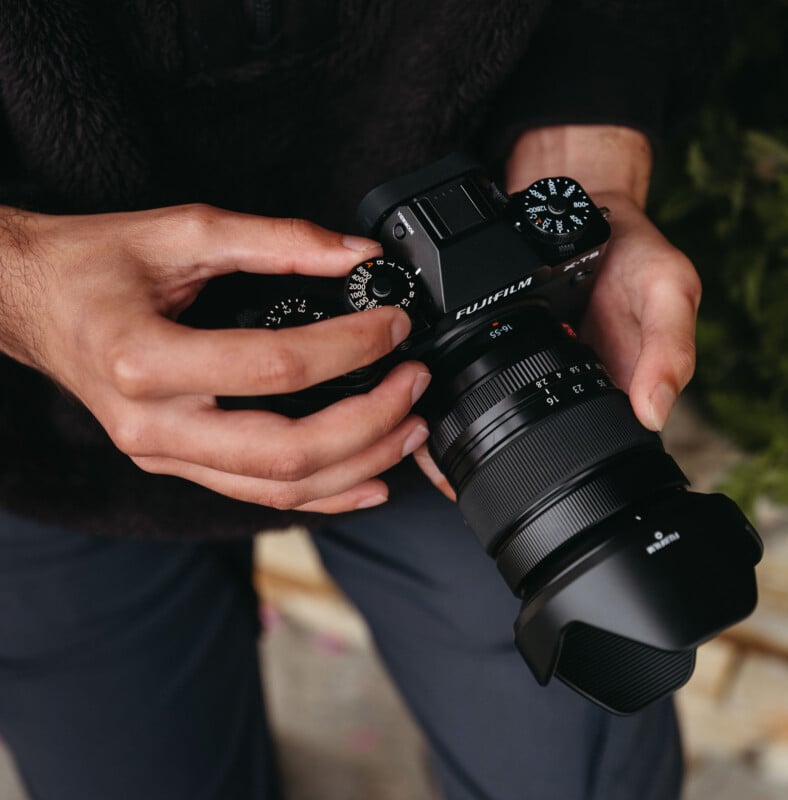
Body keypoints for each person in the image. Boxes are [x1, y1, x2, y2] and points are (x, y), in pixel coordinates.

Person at [0, 1, 724, 798]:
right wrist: (20, 287)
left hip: (449, 429)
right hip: (45, 437)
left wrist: (585, 150)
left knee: (584, 762)